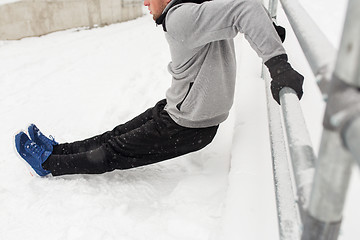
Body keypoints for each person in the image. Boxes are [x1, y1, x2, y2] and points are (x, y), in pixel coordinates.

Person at [15, 0, 304, 177]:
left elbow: (246, 8)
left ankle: (50, 164)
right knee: (115, 136)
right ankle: (58, 149)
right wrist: (265, 28)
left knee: (114, 151)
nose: (144, 4)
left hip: (189, 125)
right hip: (178, 110)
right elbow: (239, 12)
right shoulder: (193, 11)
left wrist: (277, 64)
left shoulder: (182, 17)